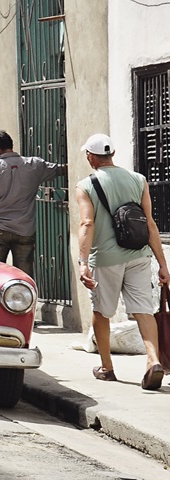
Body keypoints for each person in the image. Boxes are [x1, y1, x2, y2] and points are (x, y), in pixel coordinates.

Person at [75, 134, 170, 388]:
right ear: (112, 154)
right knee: (143, 310)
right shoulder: (138, 179)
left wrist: (83, 261)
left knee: (101, 311)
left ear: (91, 156)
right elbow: (149, 223)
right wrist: (162, 263)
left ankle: (107, 367)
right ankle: (152, 360)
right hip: (139, 255)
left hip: (105, 259)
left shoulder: (86, 185)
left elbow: (87, 223)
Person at [0, 130, 67, 278]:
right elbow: (61, 169)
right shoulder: (34, 165)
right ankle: (24, 298)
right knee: (24, 275)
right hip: (25, 229)